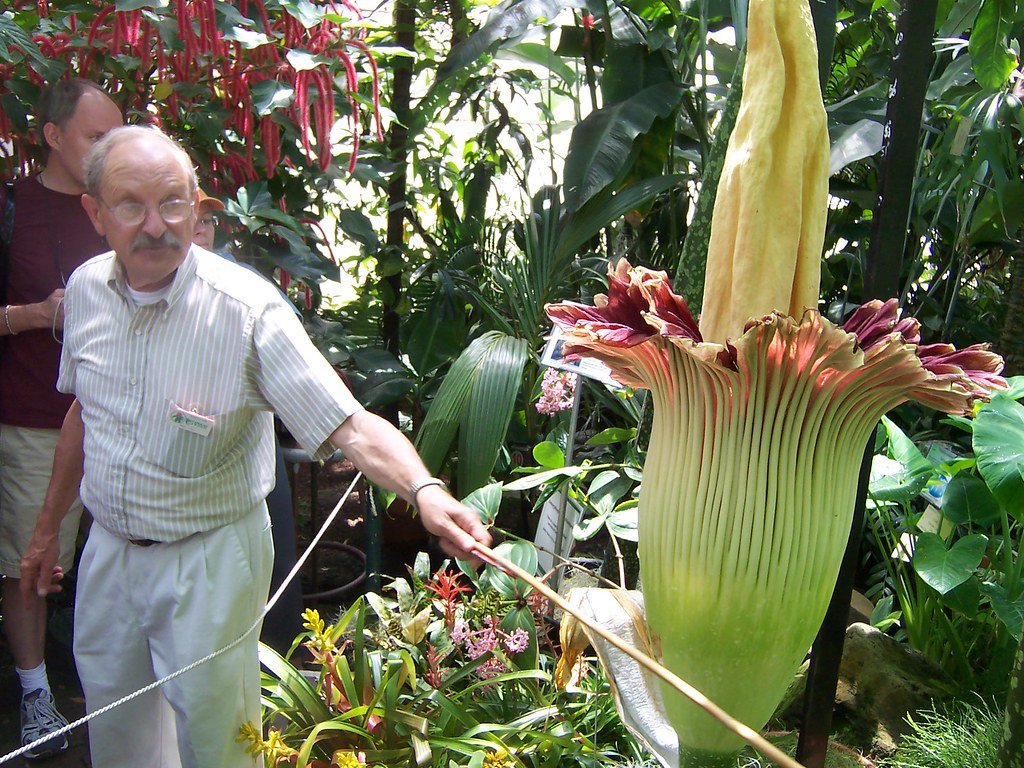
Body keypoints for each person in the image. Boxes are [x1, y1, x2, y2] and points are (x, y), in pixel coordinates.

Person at [19, 125, 491, 768]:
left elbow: (348, 425)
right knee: (118, 736)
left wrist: (425, 491)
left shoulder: (245, 310)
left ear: (197, 206)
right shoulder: (84, 291)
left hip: (208, 559)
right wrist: (48, 531)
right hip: (108, 553)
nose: (156, 226)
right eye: (131, 205)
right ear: (94, 212)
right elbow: (83, 414)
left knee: (219, 745)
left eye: (174, 203)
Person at [0, 79, 122, 759]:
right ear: (52, 136)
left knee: (120, 557)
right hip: (35, 421)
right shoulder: (12, 207)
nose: (110, 151)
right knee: (30, 561)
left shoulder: (119, 206)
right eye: (94, 138)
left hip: (124, 422)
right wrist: (33, 316)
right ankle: (35, 695)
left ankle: (117, 688)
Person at [191, 187, 305, 654]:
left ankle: (281, 669)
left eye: (206, 219)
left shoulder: (243, 288)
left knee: (271, 569)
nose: (200, 227)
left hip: (247, 450)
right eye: (189, 216)